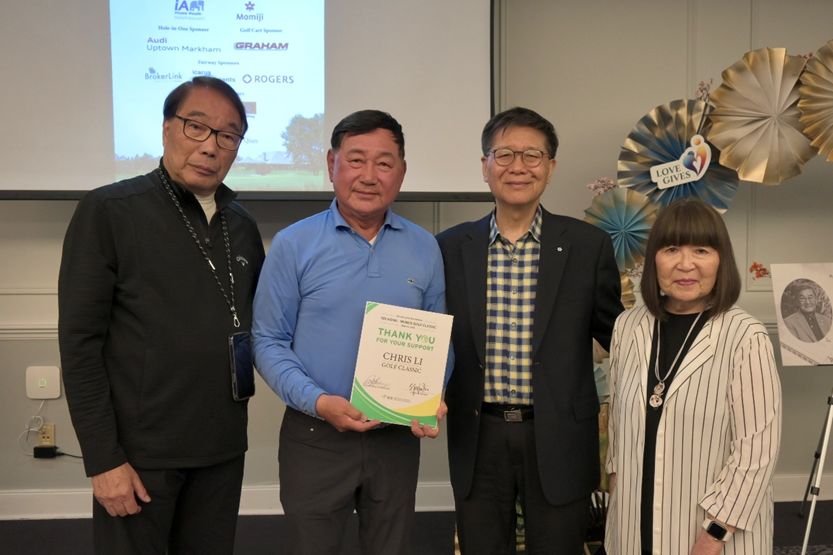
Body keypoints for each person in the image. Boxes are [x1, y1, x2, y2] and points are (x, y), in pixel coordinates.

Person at [58, 77, 265, 554]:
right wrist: (103, 459)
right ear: (168, 128)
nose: (210, 146)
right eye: (197, 127)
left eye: (228, 135)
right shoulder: (109, 211)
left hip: (222, 448)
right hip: (139, 456)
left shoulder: (242, 225)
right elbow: (80, 345)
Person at [252, 109, 451, 555]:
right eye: (356, 160)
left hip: (396, 438)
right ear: (331, 164)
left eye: (384, 163)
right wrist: (319, 401)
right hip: (315, 437)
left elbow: (439, 339)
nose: (369, 175)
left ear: (402, 172)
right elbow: (267, 341)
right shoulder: (293, 244)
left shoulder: (425, 246)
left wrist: (433, 392)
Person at [436, 107, 624, 554]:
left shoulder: (587, 246)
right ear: (485, 166)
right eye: (504, 154)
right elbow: (431, 337)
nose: (517, 166)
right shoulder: (448, 248)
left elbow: (620, 336)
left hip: (559, 435)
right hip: (478, 435)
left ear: (550, 167)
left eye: (532, 155)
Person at [604, 196, 782, 555]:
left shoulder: (745, 336)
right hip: (633, 525)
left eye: (701, 250)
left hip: (713, 534)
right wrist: (617, 492)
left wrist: (713, 535)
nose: (686, 264)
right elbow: (619, 425)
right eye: (671, 249)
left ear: (721, 260)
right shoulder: (628, 325)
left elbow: (756, 452)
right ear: (655, 259)